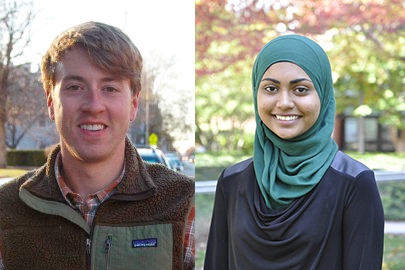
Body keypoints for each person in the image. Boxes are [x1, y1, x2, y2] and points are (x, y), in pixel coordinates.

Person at [0, 21, 194, 270]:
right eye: (75, 87)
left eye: (110, 88)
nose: (93, 105)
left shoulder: (182, 203)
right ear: (51, 101)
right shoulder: (6, 208)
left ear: (134, 104)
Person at [204, 35, 384, 269]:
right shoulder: (231, 181)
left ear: (323, 94)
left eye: (300, 89)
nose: (284, 102)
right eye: (271, 88)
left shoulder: (354, 183)